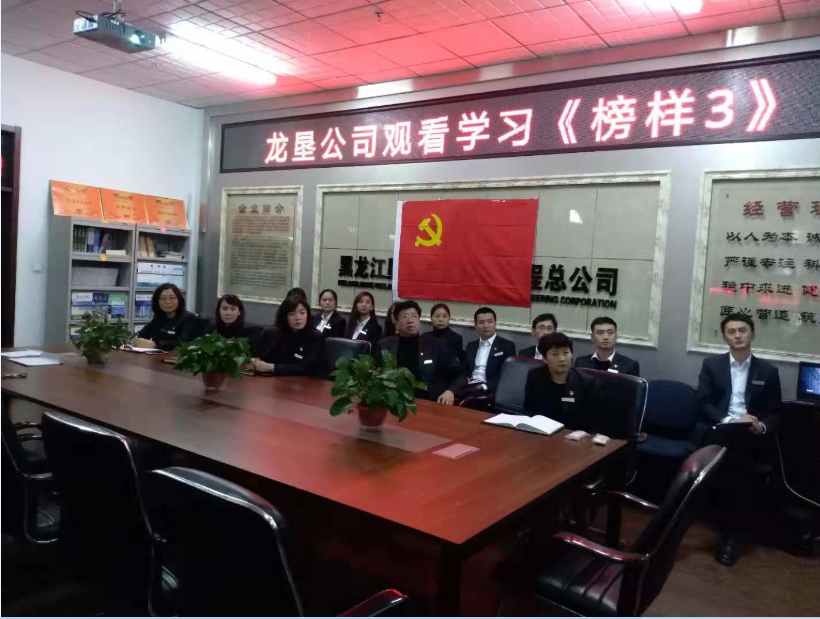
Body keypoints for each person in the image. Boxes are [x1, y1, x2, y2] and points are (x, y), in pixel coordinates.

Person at [696, 313, 782, 567]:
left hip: (750, 433)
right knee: (737, 461)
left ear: (752, 334)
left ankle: (730, 534)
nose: (737, 335)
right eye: (731, 331)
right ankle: (731, 533)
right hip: (720, 428)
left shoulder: (768, 371)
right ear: (725, 337)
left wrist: (760, 426)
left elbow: (775, 411)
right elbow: (703, 402)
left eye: (742, 330)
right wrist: (729, 420)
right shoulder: (712, 365)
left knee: (736, 458)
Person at [377, 300, 465, 405]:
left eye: (414, 316)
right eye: (405, 317)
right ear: (396, 324)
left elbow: (460, 375)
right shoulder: (385, 345)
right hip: (393, 401)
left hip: (428, 401)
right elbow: (376, 373)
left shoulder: (435, 345)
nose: (410, 320)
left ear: (419, 321)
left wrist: (450, 391)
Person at [524, 332, 597, 431]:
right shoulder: (535, 376)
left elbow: (591, 422)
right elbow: (529, 410)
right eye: (555, 354)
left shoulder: (586, 382)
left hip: (571, 434)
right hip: (540, 431)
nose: (562, 359)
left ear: (572, 354)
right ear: (544, 358)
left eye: (566, 353)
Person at [252, 295, 323, 376]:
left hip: (303, 381)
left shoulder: (315, 337)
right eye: (292, 314)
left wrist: (272, 367)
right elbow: (262, 357)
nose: (298, 318)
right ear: (285, 316)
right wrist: (256, 362)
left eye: (302, 313)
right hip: (274, 379)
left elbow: (307, 368)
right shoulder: (275, 333)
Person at [461, 307, 516, 396]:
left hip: (489, 389)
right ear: (475, 326)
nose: (486, 326)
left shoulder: (507, 346)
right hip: (469, 386)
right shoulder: (471, 345)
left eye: (490, 322)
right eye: (481, 322)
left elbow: (508, 375)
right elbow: (464, 370)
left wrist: (484, 386)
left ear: (495, 323)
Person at [132, 284, 200, 351]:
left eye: (172, 298)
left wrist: (154, 344)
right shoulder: (159, 317)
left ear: (179, 299)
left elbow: (182, 344)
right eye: (163, 298)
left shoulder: (189, 318)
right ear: (157, 301)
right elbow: (142, 334)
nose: (167, 302)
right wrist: (136, 339)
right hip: (158, 356)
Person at [574, 317, 640, 377]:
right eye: (600, 333)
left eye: (610, 332)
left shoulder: (630, 365)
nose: (606, 337)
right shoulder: (581, 363)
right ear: (592, 337)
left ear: (616, 336)